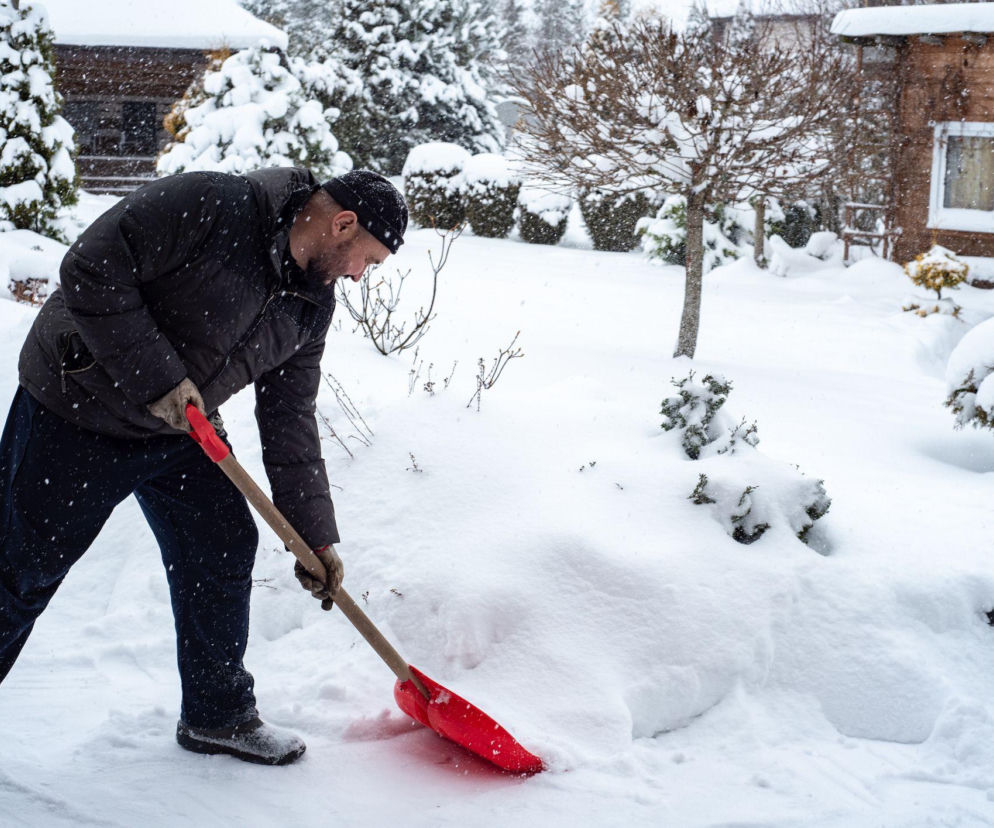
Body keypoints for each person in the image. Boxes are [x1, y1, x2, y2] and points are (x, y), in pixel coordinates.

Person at [0, 166, 408, 765]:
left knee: (220, 544)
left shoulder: (309, 306)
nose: (358, 275)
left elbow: (290, 419)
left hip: (177, 428)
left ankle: (218, 715)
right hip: (80, 405)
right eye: (364, 259)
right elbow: (90, 268)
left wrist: (314, 539)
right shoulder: (215, 205)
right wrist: (161, 380)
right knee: (20, 569)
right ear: (342, 223)